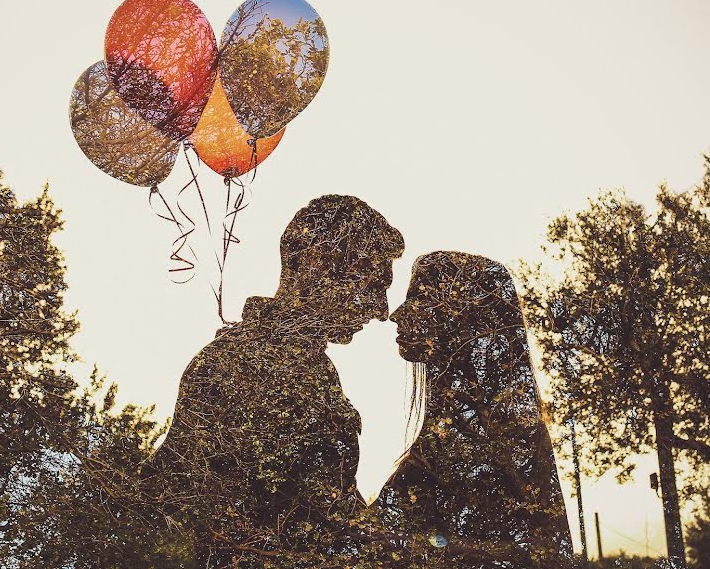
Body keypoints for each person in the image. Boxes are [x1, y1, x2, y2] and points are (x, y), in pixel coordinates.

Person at [148, 194, 404, 567]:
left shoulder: (307, 364)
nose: (380, 309)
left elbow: (329, 504)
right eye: (372, 285)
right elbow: (185, 496)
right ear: (317, 264)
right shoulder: (238, 361)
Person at [375, 251, 574, 568]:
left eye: (419, 300)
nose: (397, 314)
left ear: (459, 317)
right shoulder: (473, 437)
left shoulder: (481, 448)